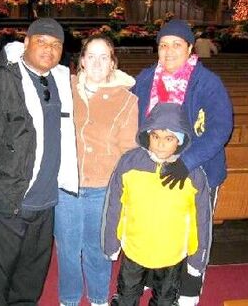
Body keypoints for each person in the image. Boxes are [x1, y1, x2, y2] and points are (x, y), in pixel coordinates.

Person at [0, 18, 78, 306]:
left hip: (45, 202)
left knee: (30, 280)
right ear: (26, 42)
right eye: (42, 42)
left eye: (56, 45)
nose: (49, 49)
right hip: (6, 202)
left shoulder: (59, 78)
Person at [132, 19, 233, 305]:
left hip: (198, 169)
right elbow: (126, 108)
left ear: (189, 48)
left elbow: (220, 128)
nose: (169, 51)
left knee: (195, 231)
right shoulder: (146, 78)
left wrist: (186, 161)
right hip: (156, 167)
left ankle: (190, 287)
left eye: (176, 45)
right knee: (159, 227)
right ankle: (157, 280)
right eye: (163, 45)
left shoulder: (207, 82)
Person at [54, 34, 138, 306]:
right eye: (92, 55)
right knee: (67, 249)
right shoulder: (62, 90)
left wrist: (123, 190)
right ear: (81, 61)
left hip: (103, 187)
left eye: (105, 57)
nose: (98, 62)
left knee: (98, 248)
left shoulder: (127, 100)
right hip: (66, 184)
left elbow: (128, 150)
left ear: (113, 63)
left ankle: (99, 299)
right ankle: (68, 299)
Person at [102, 103, 211, 306]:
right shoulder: (129, 163)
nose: (161, 144)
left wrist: (197, 258)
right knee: (126, 297)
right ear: (147, 135)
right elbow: (114, 205)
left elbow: (201, 218)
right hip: (135, 247)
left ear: (180, 141)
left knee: (164, 300)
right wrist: (111, 242)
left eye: (169, 138)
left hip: (172, 252)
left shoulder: (192, 173)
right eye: (156, 137)